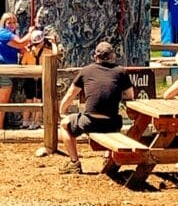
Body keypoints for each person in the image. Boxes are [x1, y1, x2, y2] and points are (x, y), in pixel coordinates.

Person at [58, 40, 135, 174]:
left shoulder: (86, 71)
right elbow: (130, 95)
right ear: (112, 56)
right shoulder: (121, 72)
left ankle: (74, 162)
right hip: (113, 123)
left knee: (65, 125)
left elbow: (71, 93)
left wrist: (62, 111)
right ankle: (107, 158)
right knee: (112, 123)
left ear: (95, 56)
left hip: (90, 122)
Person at [0, 12, 32, 129]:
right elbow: (20, 43)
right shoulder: (3, 33)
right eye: (9, 22)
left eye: (13, 22)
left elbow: (22, 49)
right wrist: (31, 34)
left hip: (5, 70)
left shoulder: (10, 36)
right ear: (4, 24)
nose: (12, 25)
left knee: (3, 102)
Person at [19, 27, 61, 129]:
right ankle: (35, 121)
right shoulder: (47, 51)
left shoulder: (28, 52)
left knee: (28, 99)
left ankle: (25, 121)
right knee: (38, 100)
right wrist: (54, 43)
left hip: (29, 77)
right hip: (40, 78)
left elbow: (23, 63)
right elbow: (55, 55)